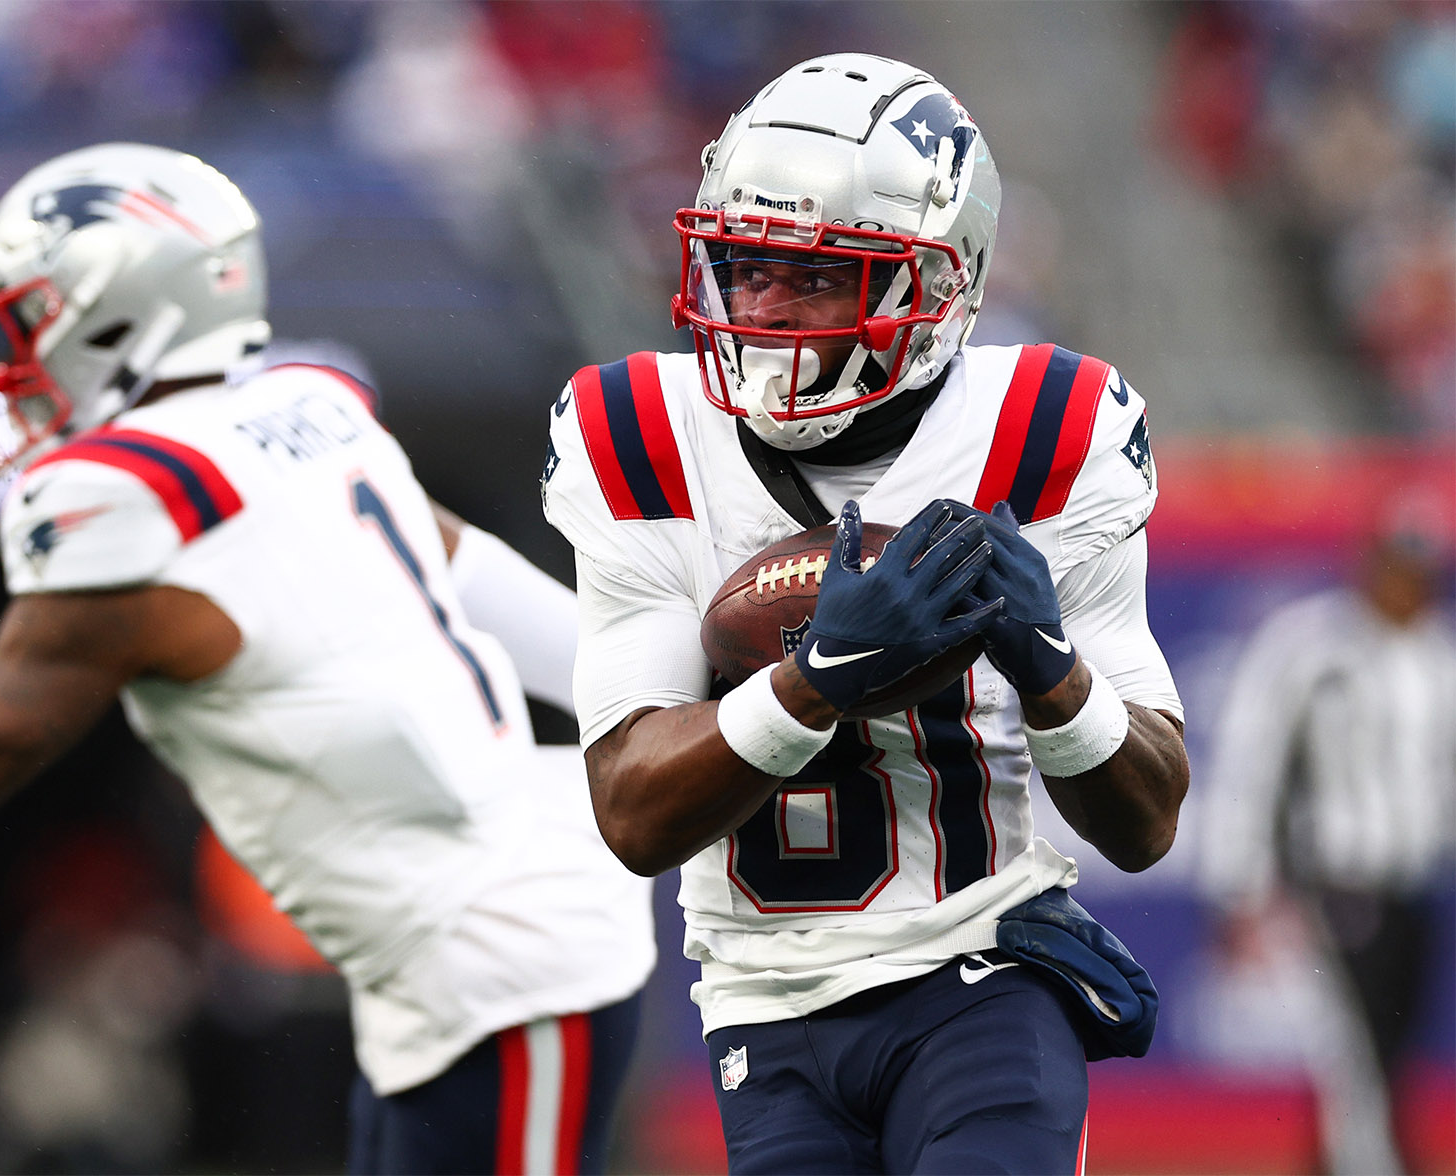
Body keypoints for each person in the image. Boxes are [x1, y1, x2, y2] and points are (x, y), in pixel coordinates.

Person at [0, 142, 656, 1176]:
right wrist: (669, 689)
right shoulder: (310, 409)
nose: (6, 361)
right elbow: (495, 590)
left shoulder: (118, 498)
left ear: (125, 312)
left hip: (501, 966)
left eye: (28, 321)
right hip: (469, 945)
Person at [541, 53, 1190, 1173]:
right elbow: (632, 814)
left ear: (934, 288)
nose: (763, 313)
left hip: (983, 969)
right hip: (763, 999)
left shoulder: (1048, 426)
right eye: (742, 271)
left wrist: (1047, 668)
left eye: (813, 279)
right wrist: (814, 680)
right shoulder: (636, 432)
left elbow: (1144, 822)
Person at [1201, 503, 1455, 1175]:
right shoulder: (1313, 648)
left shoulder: (1439, 659)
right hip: (1335, 885)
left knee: (1388, 1058)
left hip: (1413, 889)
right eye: (1400, 567)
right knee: (1357, 1065)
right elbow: (1252, 762)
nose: (1410, 585)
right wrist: (1240, 884)